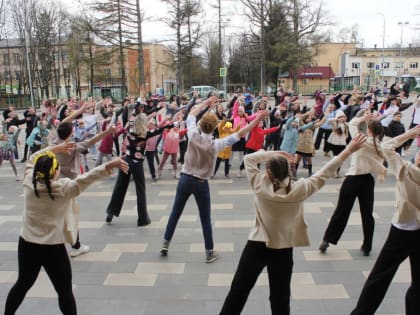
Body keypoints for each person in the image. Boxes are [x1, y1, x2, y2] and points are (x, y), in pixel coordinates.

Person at [219, 134, 367, 315]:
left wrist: (273, 153)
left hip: (257, 244)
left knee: (238, 292)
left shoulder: (259, 184)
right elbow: (327, 171)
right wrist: (349, 150)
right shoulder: (301, 188)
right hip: (283, 248)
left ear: (269, 173)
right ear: (288, 170)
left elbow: (249, 158)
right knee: (280, 298)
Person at [4, 143, 129, 315]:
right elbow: (87, 178)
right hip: (53, 248)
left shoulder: (29, 180)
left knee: (22, 284)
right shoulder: (64, 188)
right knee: (64, 292)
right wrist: (109, 165)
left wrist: (56, 148)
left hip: (27, 244)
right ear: (55, 172)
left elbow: (33, 158)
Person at [160, 97, 269, 263]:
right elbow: (241, 133)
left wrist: (206, 103)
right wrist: (259, 118)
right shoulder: (217, 144)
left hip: (185, 178)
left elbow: (190, 115)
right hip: (201, 183)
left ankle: (165, 244)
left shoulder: (192, 134)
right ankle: (209, 252)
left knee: (176, 212)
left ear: (201, 124)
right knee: (205, 218)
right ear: (215, 127)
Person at [350, 125, 420, 315]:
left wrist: (411, 133)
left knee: (380, 276)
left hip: (403, 230)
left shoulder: (407, 172)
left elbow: (388, 146)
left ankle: (361, 312)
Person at [319, 113, 387, 256]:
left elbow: (352, 124)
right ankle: (367, 246)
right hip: (367, 181)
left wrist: (364, 117)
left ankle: (327, 240)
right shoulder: (380, 146)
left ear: (368, 129)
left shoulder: (361, 139)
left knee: (341, 211)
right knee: (367, 214)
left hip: (352, 179)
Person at [105, 103, 172, 226]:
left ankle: (111, 212)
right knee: (140, 190)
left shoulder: (131, 128)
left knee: (120, 187)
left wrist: (140, 106)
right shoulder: (146, 134)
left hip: (126, 160)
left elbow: (133, 115)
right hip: (137, 164)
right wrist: (170, 122)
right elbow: (162, 128)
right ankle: (142, 219)